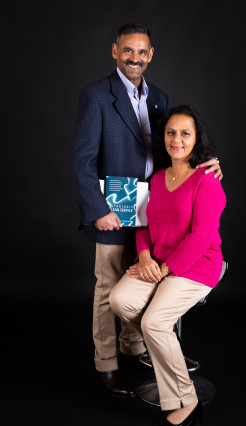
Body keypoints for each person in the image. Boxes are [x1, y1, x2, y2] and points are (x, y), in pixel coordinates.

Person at [69, 23, 222, 399]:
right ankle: (106, 365)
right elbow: (81, 159)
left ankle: (134, 346)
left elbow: (176, 142)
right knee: (109, 289)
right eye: (127, 50)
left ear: (150, 54)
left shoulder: (160, 97)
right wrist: (97, 210)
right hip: (113, 210)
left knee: (142, 280)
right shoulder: (96, 96)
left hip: (154, 208)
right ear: (114, 51)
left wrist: (209, 164)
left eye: (142, 52)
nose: (134, 58)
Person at [109, 105, 226, 426]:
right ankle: (162, 348)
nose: (177, 139)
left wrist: (164, 269)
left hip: (197, 265)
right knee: (119, 299)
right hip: (157, 263)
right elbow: (144, 226)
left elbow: (202, 236)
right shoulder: (157, 179)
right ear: (163, 137)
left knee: (154, 321)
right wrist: (144, 256)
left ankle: (187, 404)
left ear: (196, 139)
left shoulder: (207, 180)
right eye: (171, 132)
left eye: (185, 133)